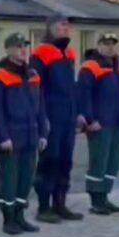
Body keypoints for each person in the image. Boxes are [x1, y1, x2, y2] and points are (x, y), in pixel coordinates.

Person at [0, 34, 49, 235]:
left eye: (24, 46)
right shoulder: (0, 77)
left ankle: (20, 215)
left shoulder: (32, 75)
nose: (23, 50)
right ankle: (8, 219)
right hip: (12, 137)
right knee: (10, 179)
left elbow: (40, 106)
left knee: (26, 179)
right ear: (8, 50)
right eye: (18, 46)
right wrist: (3, 136)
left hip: (31, 136)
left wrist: (43, 132)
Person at [31, 15, 84, 223]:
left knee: (65, 161)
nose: (66, 28)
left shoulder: (68, 53)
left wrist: (77, 112)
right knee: (49, 161)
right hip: (51, 116)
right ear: (51, 27)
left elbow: (72, 86)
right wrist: (41, 117)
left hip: (68, 116)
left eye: (67, 25)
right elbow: (37, 87)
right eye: (62, 25)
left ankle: (60, 203)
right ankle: (44, 207)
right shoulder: (41, 53)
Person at [78, 33, 119, 215]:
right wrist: (90, 119)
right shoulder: (90, 67)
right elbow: (83, 95)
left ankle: (105, 196)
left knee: (112, 162)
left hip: (116, 122)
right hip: (100, 123)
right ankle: (96, 200)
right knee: (99, 161)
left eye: (113, 44)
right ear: (99, 45)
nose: (110, 47)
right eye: (106, 44)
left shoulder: (118, 67)